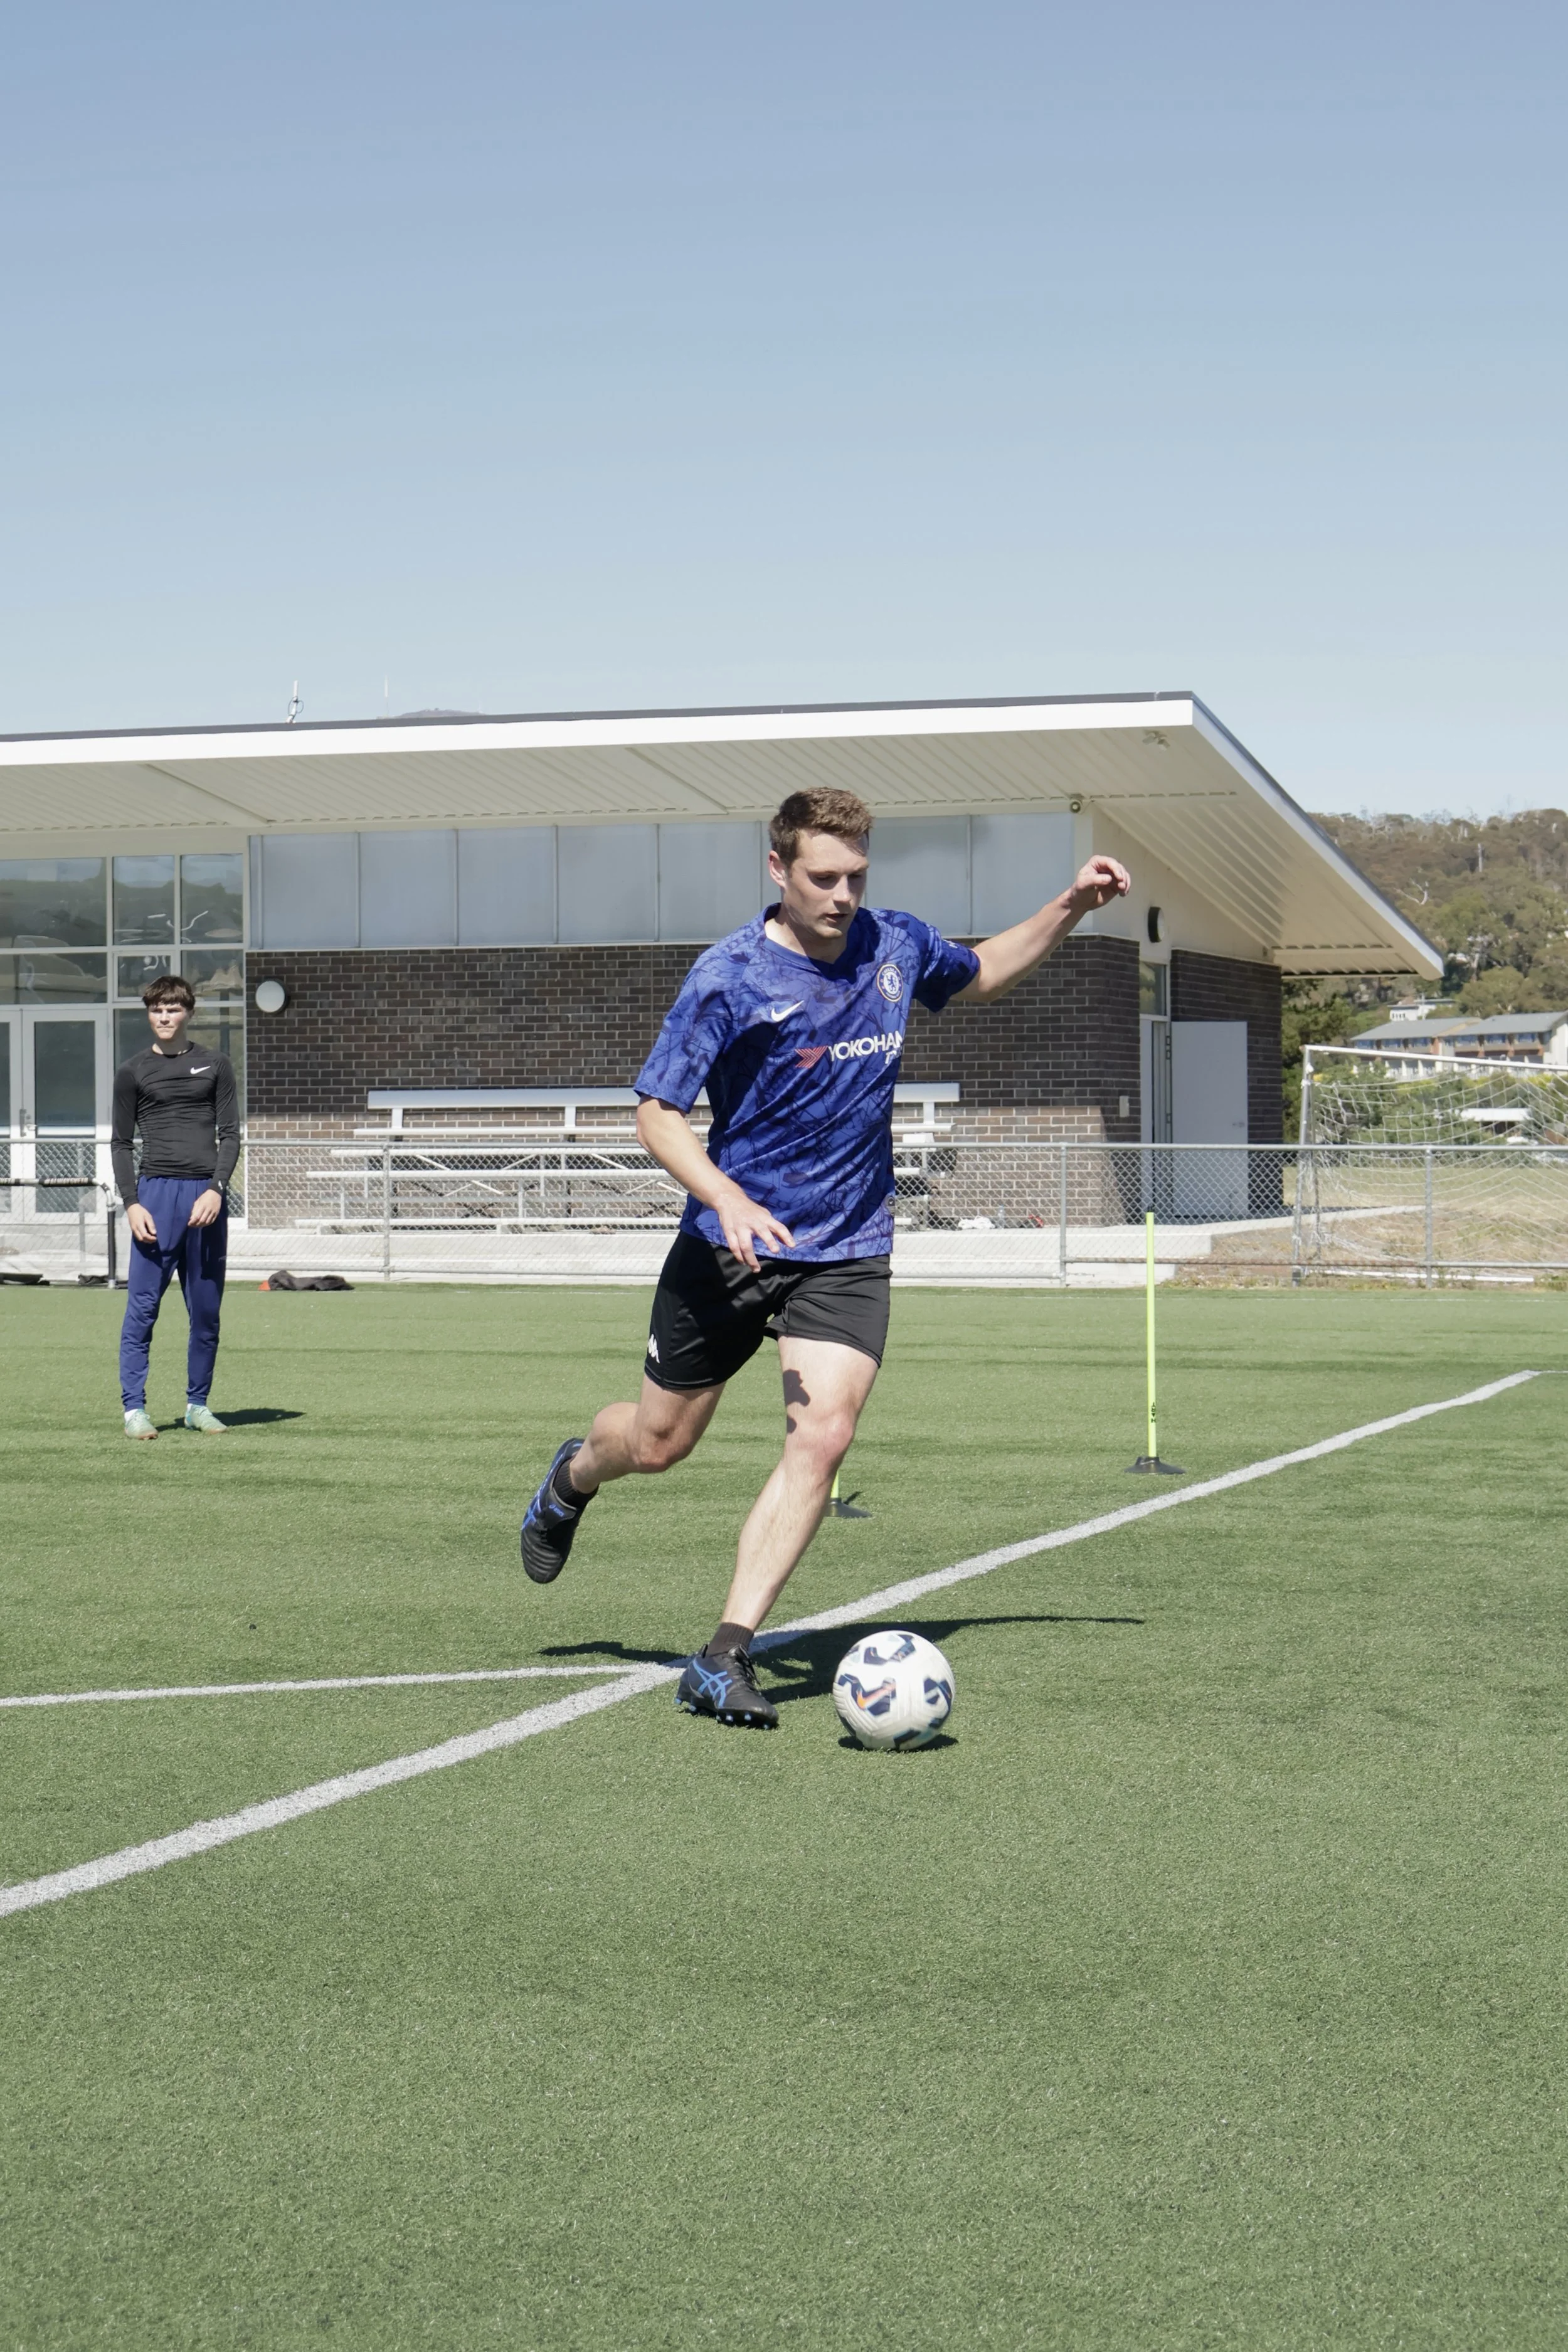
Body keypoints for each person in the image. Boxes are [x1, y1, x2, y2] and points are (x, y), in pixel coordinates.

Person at [520, 785, 1130, 1727]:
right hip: (728, 1248)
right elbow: (656, 1111)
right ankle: (570, 1478)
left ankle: (724, 1654)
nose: (842, 894)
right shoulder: (728, 976)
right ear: (778, 869)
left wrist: (1069, 905)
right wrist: (723, 1195)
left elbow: (982, 971)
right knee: (657, 1442)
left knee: (826, 1434)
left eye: (855, 875)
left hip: (847, 1247)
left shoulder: (897, 943)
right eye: (822, 876)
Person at [112, 974, 240, 1438]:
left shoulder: (216, 1064)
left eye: (173, 1009)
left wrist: (216, 1189)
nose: (164, 1017)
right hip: (155, 1198)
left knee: (205, 1311)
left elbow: (230, 1135)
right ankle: (134, 1411)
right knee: (143, 1308)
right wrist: (132, 1203)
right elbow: (121, 1144)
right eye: (156, 1010)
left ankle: (197, 1405)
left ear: (188, 1012)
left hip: (204, 1199)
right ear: (149, 1014)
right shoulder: (132, 1071)